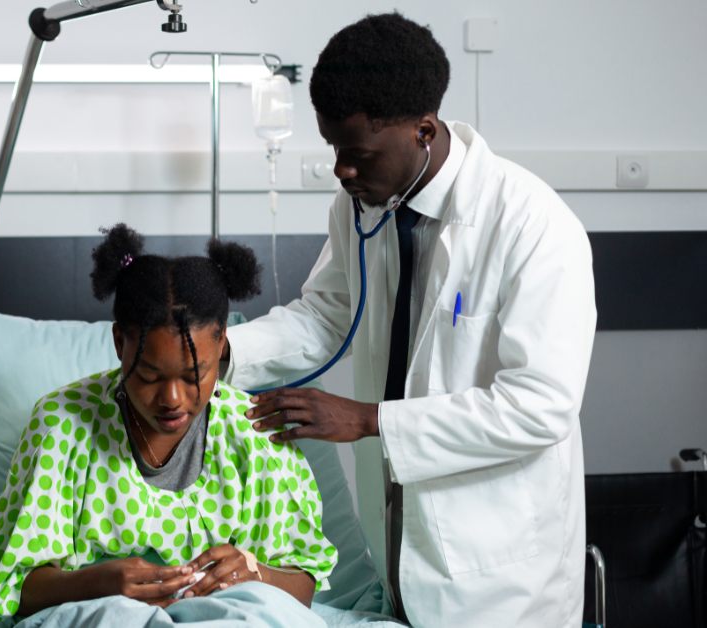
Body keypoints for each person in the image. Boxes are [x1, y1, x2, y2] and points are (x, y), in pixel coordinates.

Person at [221, 12, 597, 627]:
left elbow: (541, 405)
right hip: (398, 551)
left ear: (424, 130)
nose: (341, 170)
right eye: (334, 149)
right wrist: (222, 353)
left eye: (358, 154)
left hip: (502, 581)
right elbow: (329, 315)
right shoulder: (364, 206)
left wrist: (369, 420)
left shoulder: (533, 226)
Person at [0, 225, 337, 622]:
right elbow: (16, 592)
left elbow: (302, 589)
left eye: (194, 375)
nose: (173, 399)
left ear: (221, 345)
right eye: (149, 376)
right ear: (119, 344)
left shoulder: (253, 434)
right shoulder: (62, 425)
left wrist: (255, 574)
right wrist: (97, 584)